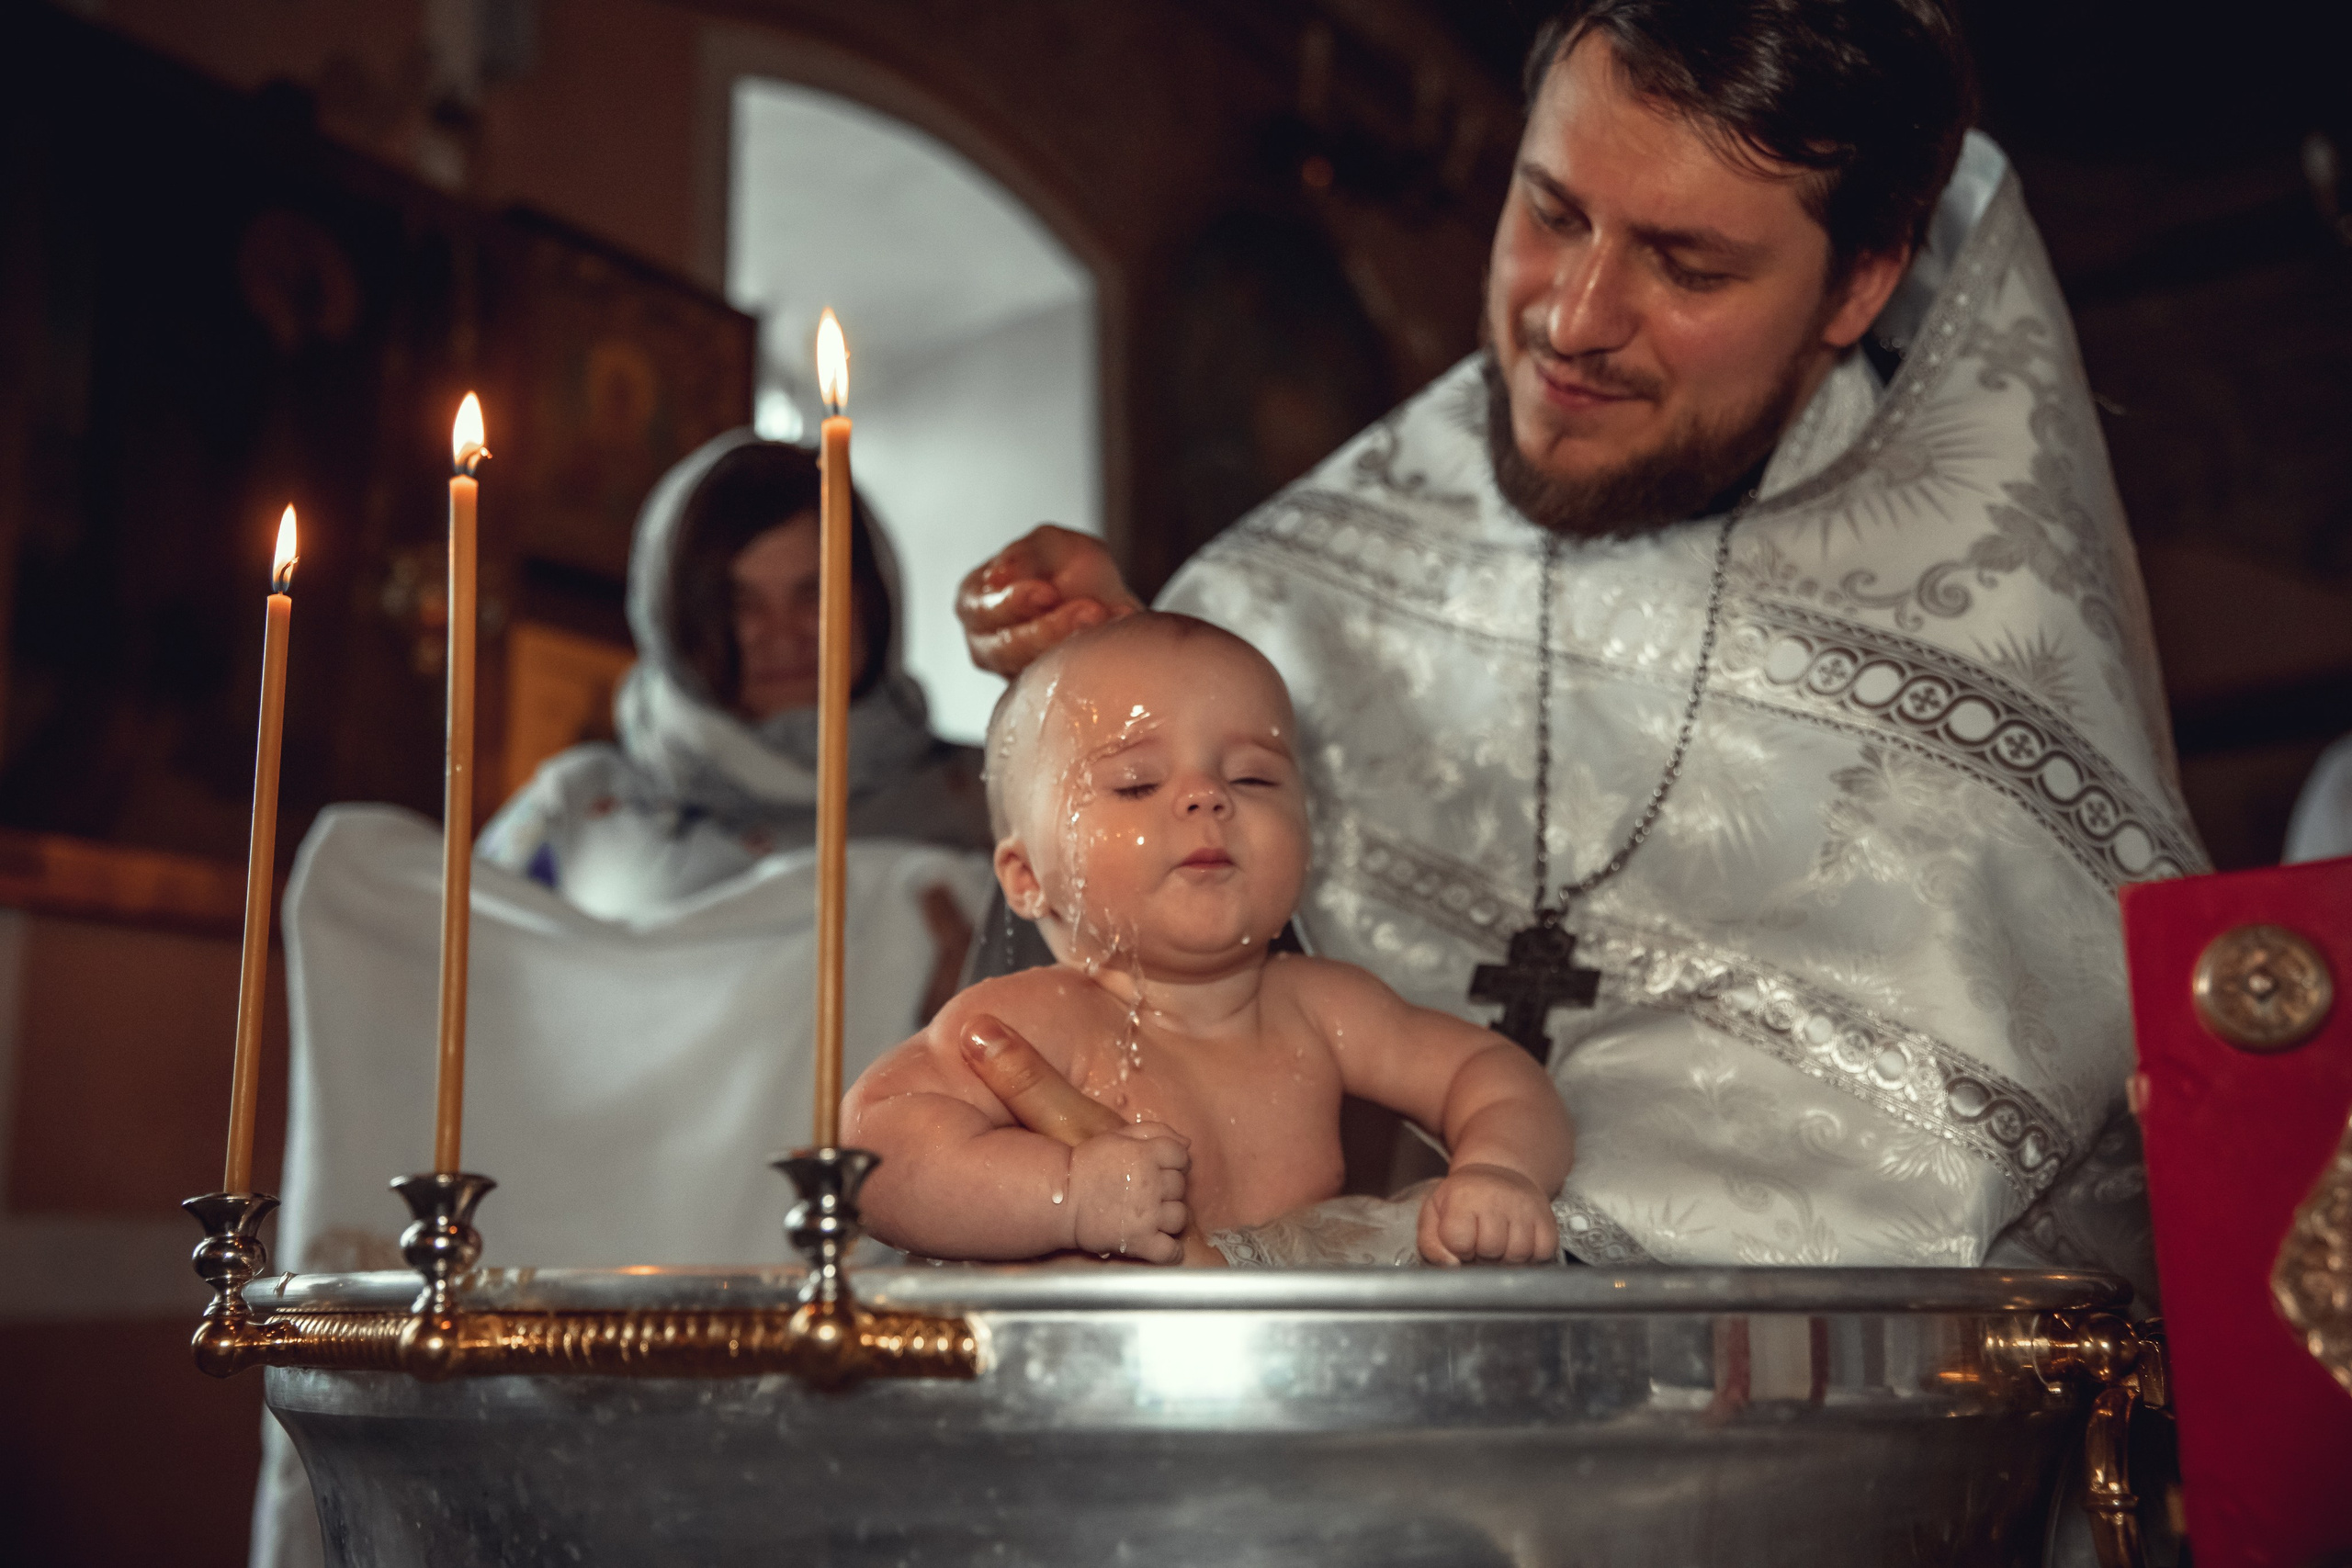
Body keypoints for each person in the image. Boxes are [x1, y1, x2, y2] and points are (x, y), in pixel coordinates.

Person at [956, 0, 2202, 1291]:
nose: (1575, 317)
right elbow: (1047, 1075)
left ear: (1860, 282)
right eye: (1552, 213)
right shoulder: (1295, 593)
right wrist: (1094, 717)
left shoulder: (1978, 697)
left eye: (1689, 266)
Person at [842, 612, 1572, 1265]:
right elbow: (875, 1148)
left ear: (1310, 841)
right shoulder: (1035, 1022)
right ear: (1027, 874)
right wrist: (1065, 1195)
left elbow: (1491, 1071)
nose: (1207, 796)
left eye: (1254, 778)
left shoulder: (1320, 1007)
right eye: (1135, 783)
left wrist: (1500, 1169)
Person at [482, 431, 990, 1010]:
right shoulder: (575, 811)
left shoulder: (994, 803)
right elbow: (476, 1011)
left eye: (815, 594)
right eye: (738, 605)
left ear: (873, 600)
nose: (783, 635)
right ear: (675, 619)